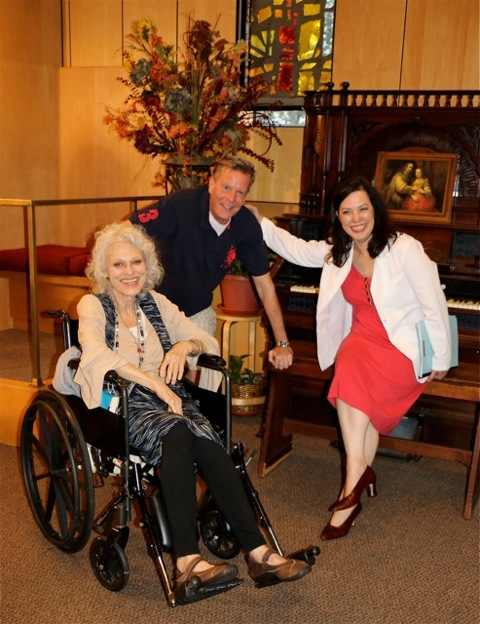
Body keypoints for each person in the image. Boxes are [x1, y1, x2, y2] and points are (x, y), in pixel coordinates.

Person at [73, 222, 310, 593]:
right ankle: (187, 561)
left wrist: (183, 348)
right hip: (121, 399)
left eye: (136, 262)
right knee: (178, 431)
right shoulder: (93, 305)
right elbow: (97, 352)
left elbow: (201, 337)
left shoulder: (157, 303)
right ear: (104, 270)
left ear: (147, 265)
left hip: (170, 396)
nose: (129, 272)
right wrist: (154, 383)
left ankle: (259, 553)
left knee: (212, 445)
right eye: (118, 265)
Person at [246, 177, 451, 540]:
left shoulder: (404, 248)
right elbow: (294, 248)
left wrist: (441, 357)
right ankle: (353, 486)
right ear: (337, 217)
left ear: (375, 210)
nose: (356, 219)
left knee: (351, 380)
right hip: (362, 342)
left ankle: (351, 487)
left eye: (362, 209)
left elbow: (434, 301)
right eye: (346, 212)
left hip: (402, 347)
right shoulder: (337, 251)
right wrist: (259, 222)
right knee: (353, 366)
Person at [130, 157, 293, 376]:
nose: (231, 199)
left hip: (197, 309)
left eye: (240, 192)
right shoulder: (181, 205)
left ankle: (201, 408)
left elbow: (265, 286)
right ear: (211, 184)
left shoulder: (245, 225)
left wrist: (282, 344)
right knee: (152, 375)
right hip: (155, 305)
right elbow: (128, 229)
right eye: (226, 187)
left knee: (210, 366)